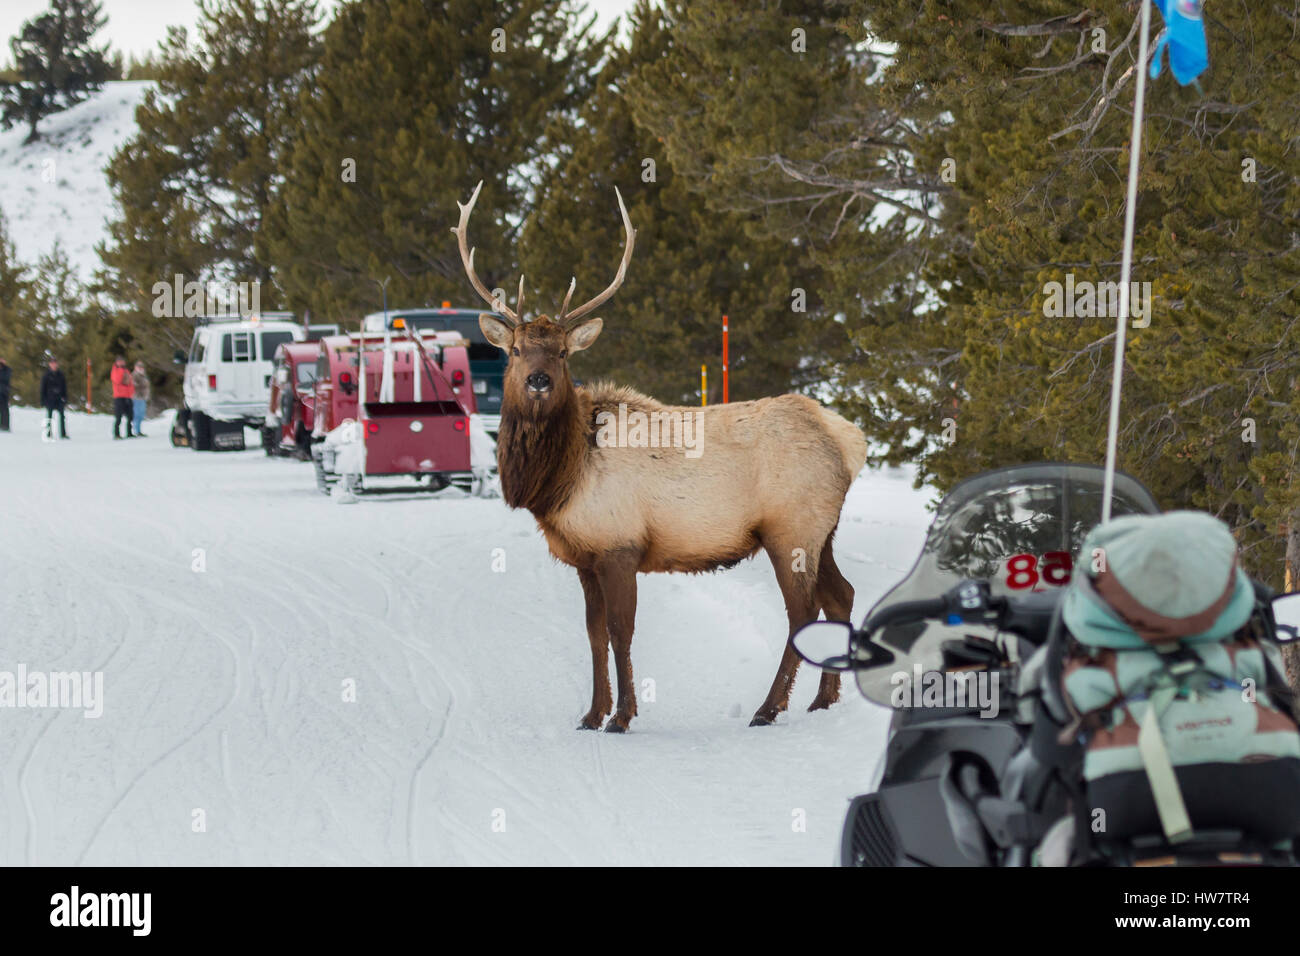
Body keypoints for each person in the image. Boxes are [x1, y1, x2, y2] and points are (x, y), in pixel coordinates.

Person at [39, 358, 68, 439]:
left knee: (62, 416)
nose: (54, 365)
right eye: (52, 363)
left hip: (59, 399)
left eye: (55, 363)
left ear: (57, 364)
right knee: (49, 417)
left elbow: (64, 388)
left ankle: (63, 434)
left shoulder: (61, 375)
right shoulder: (46, 375)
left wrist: (65, 398)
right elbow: (43, 388)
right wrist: (43, 400)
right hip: (50, 399)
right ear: (49, 364)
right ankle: (48, 433)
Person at [111, 356, 135, 439]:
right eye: (120, 361)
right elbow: (117, 380)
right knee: (118, 416)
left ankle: (129, 432)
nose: (121, 363)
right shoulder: (115, 371)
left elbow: (130, 383)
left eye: (122, 361)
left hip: (128, 396)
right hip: (119, 396)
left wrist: (131, 392)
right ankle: (117, 434)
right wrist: (121, 370)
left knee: (130, 416)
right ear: (116, 362)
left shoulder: (126, 370)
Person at [131, 360, 150, 437]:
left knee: (141, 414)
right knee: (137, 414)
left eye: (142, 367)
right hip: (137, 397)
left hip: (143, 397)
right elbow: (133, 385)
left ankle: (138, 430)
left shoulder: (143, 376)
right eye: (139, 367)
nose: (141, 368)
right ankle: (136, 430)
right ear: (136, 368)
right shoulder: (134, 375)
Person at [0, 357, 10, 431]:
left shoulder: (7, 369)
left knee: (5, 410)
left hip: (4, 393)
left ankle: (5, 426)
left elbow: (5, 379)